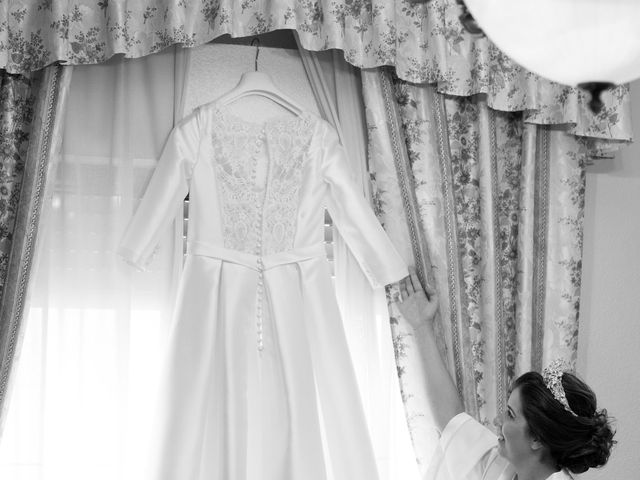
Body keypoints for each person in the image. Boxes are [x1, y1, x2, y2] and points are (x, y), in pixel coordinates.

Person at [397, 273, 616, 480]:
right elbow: (452, 421)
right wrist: (421, 326)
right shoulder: (499, 466)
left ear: (537, 438)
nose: (497, 420)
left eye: (510, 414)